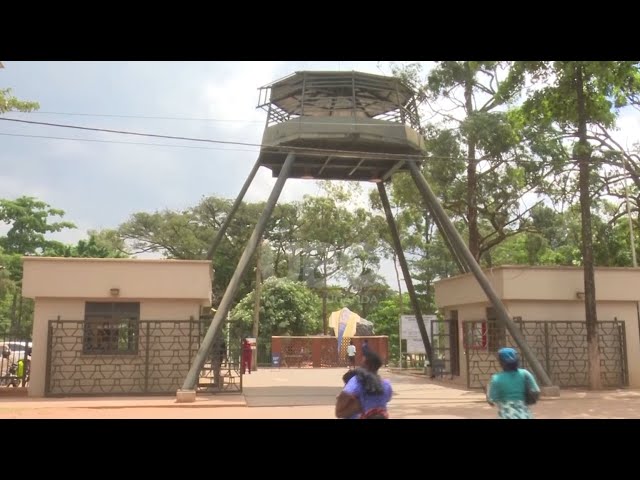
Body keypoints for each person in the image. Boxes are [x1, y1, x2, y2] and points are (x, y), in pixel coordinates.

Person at [335, 350, 393, 419]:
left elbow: (345, 394)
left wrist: (340, 410)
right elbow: (386, 399)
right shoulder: (386, 385)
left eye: (362, 362)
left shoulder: (357, 381)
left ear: (366, 364)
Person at [486, 347, 541, 419]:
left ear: (501, 362)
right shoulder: (525, 373)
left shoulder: (496, 378)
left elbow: (491, 399)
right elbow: (536, 390)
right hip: (524, 414)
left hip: (505, 415)